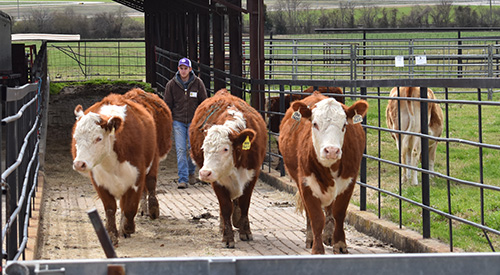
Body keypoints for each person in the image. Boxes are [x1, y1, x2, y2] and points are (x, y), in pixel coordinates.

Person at [164, 57, 207, 189]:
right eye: (181, 68)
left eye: (185, 68)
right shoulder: (171, 85)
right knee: (181, 149)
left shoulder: (198, 83)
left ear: (190, 69)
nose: (183, 71)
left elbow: (204, 102)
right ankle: (182, 178)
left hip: (194, 122)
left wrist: (202, 120)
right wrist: (168, 120)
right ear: (178, 69)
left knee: (193, 149)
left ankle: (190, 171)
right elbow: (167, 104)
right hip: (178, 121)